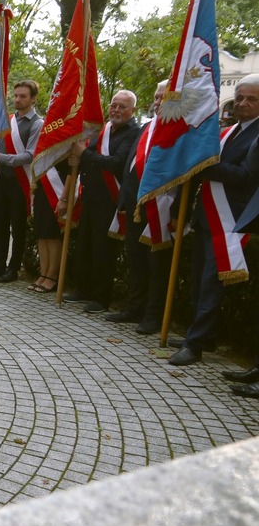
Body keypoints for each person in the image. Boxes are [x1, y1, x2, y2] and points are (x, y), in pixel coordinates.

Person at [170, 74, 259, 367]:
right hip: (208, 215)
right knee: (197, 281)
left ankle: (195, 345)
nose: (243, 104)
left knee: (210, 284)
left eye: (251, 99)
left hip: (230, 220)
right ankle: (201, 336)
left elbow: (247, 176)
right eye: (240, 98)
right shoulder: (228, 131)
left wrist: (207, 166)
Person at [64, 90, 141, 310]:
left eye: (122, 107)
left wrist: (84, 154)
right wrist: (77, 155)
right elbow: (88, 154)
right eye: (113, 105)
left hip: (110, 199)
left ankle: (100, 297)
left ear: (132, 110)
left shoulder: (133, 133)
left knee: (103, 249)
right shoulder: (104, 129)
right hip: (90, 195)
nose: (116, 110)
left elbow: (116, 162)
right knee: (85, 245)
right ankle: (82, 289)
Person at [110, 81, 172, 335]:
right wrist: (125, 201)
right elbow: (131, 168)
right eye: (156, 98)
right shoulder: (148, 127)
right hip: (136, 205)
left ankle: (153, 315)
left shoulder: (179, 132)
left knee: (157, 266)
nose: (157, 102)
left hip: (161, 208)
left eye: (163, 98)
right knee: (137, 262)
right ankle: (134, 308)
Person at [0, 80, 44, 283]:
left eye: (23, 96)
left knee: (17, 228)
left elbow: (29, 155)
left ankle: (13, 268)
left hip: (20, 182)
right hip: (2, 179)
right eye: (16, 95)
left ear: (33, 98)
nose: (17, 99)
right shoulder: (7, 120)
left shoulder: (37, 123)